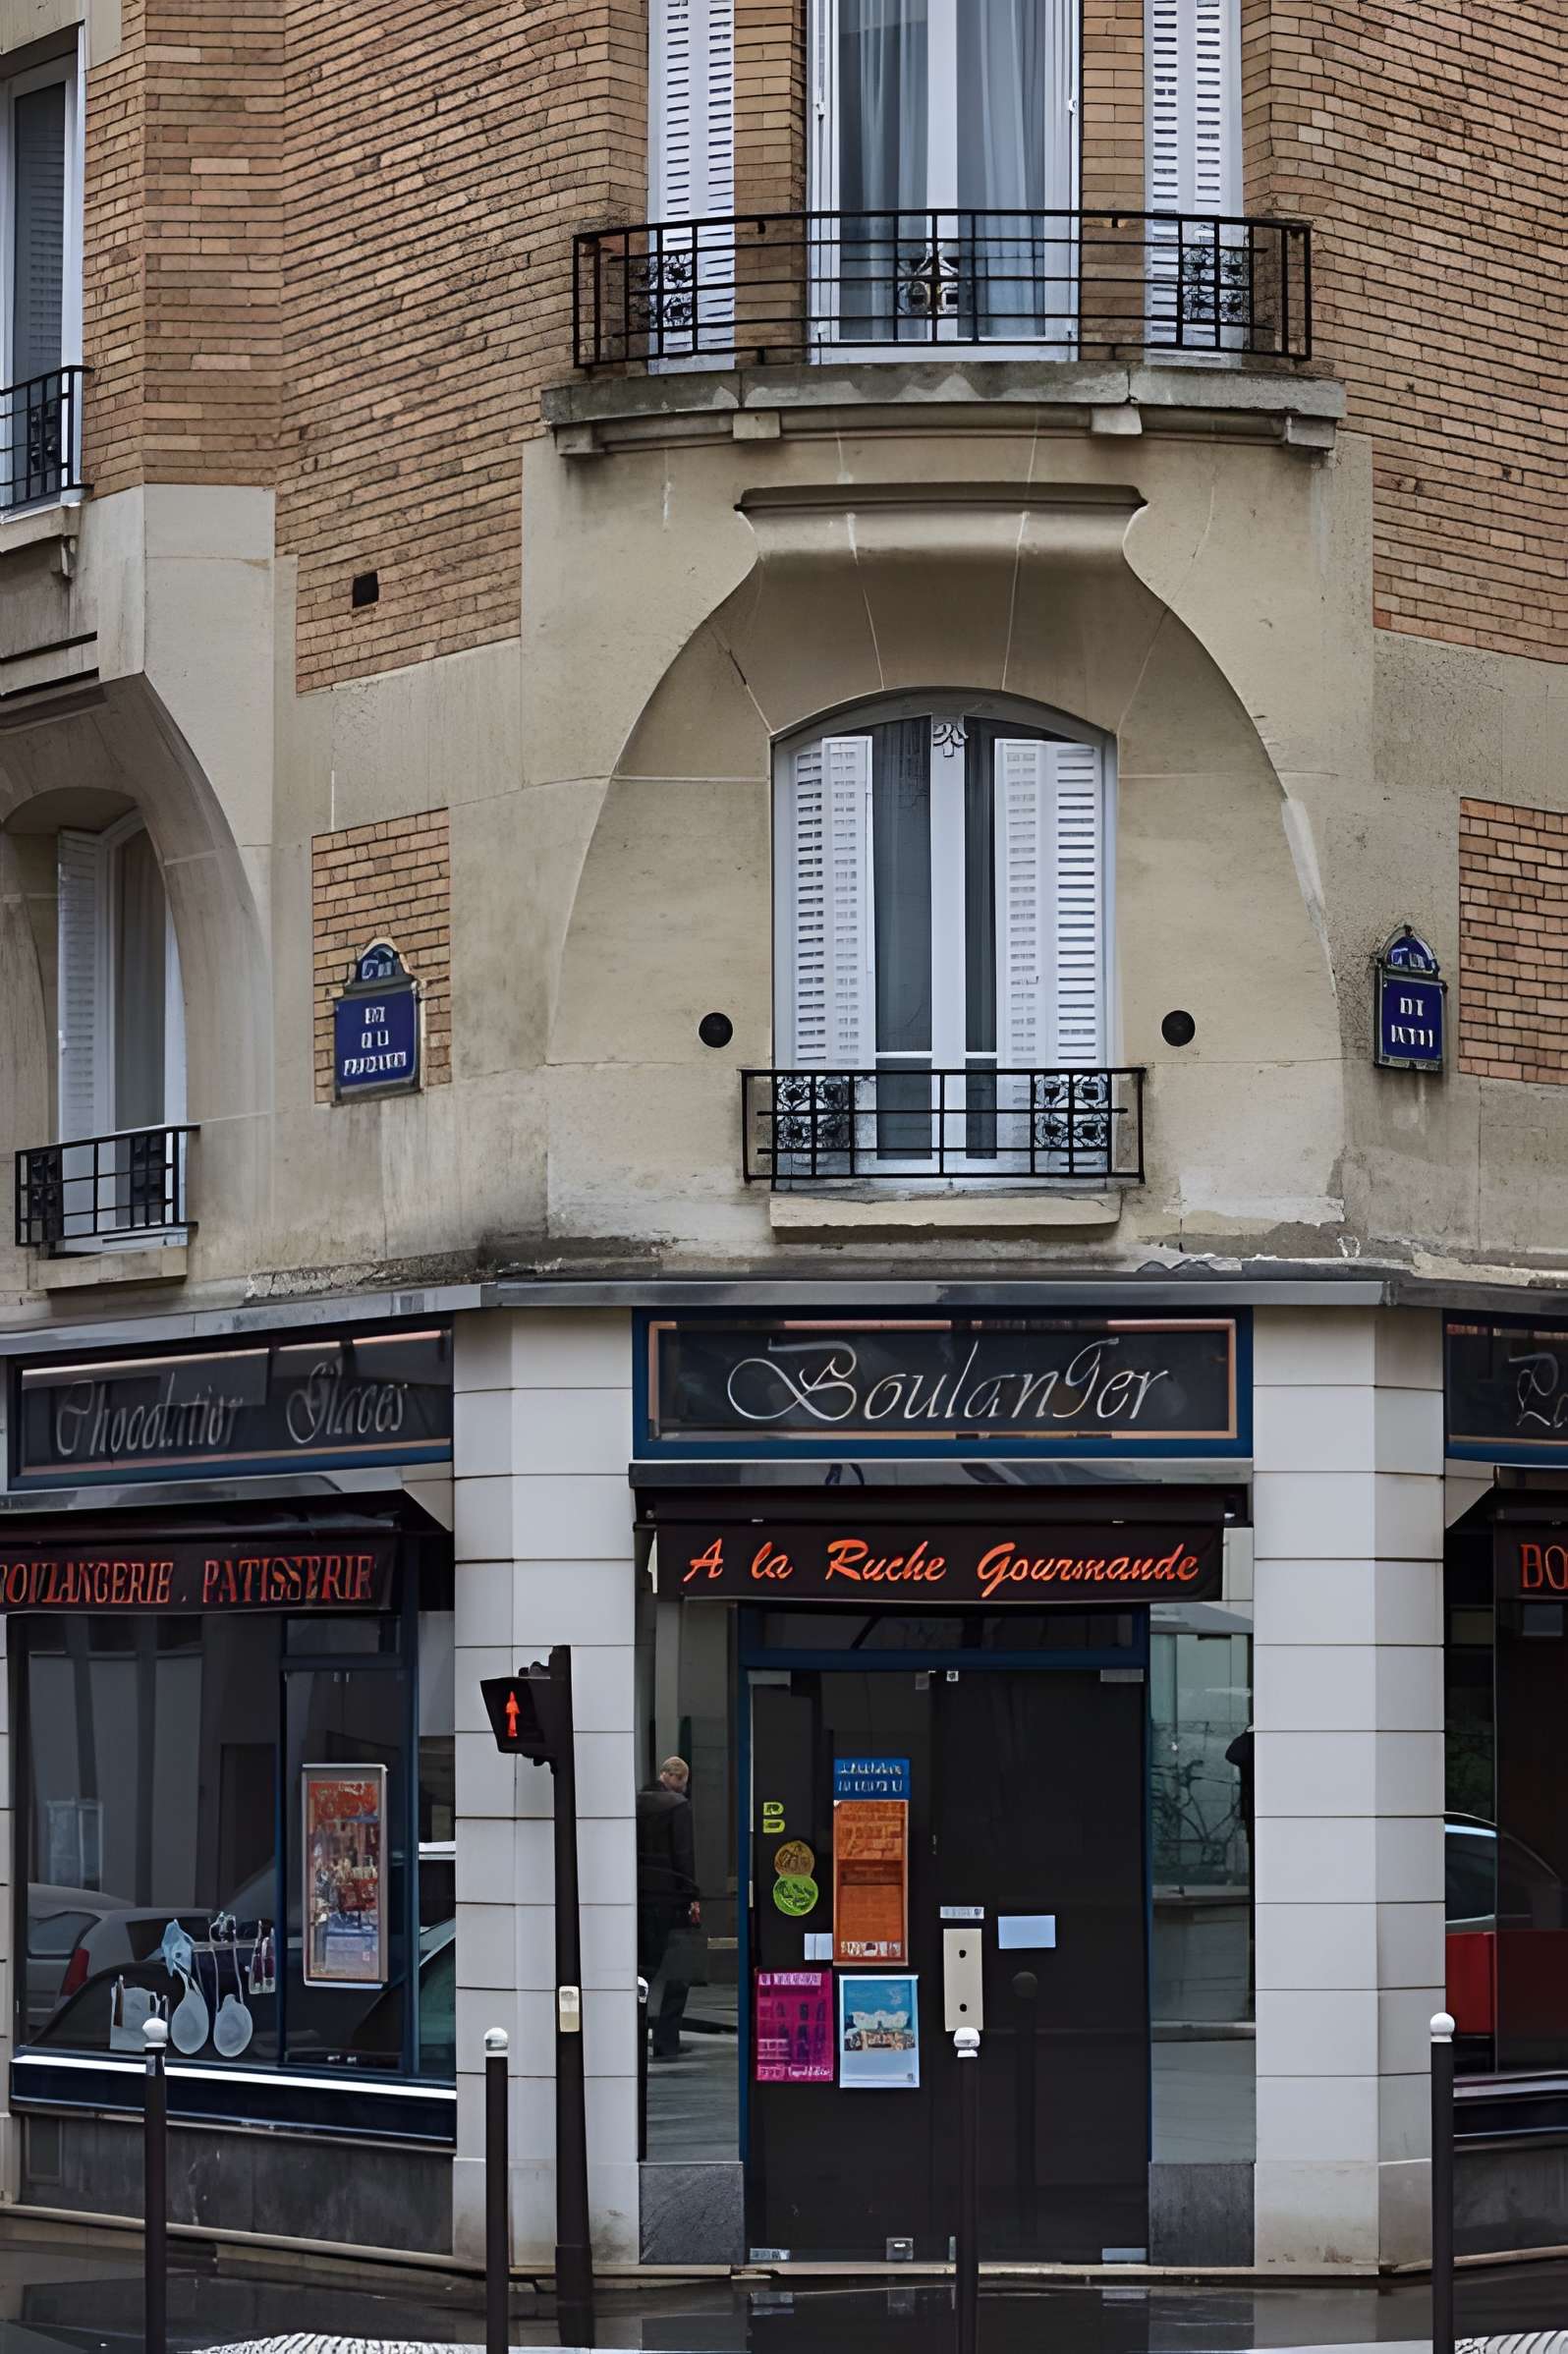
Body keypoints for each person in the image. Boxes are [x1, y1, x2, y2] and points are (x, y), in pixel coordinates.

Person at [637, 1755, 700, 2059]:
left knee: (642, 1969)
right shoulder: (677, 1807)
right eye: (683, 1783)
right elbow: (683, 1853)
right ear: (675, 1779)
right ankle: (666, 2039)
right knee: (677, 1970)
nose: (684, 1789)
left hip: (639, 1896)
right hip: (670, 1898)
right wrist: (691, 1894)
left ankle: (635, 2034)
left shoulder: (636, 1802)